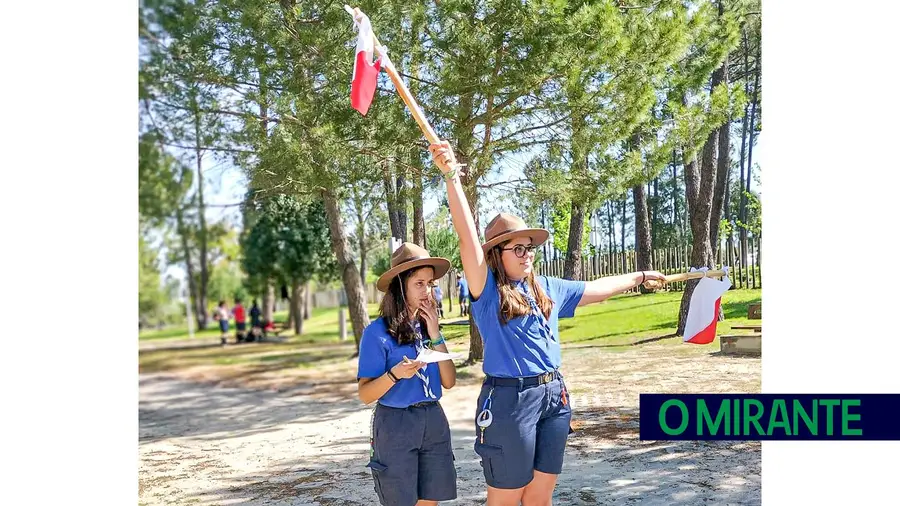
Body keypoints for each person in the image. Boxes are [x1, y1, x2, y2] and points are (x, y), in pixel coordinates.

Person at [429, 141, 667, 506]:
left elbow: (596, 289)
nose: (527, 255)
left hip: (554, 396)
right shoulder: (488, 291)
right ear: (497, 254)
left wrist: (638, 277)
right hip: (510, 401)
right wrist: (451, 177)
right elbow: (467, 238)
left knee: (540, 497)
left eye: (530, 248)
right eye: (518, 249)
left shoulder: (547, 287)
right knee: (506, 499)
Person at [357, 242, 459, 506]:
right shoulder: (376, 333)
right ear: (400, 287)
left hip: (433, 419)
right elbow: (365, 394)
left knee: (430, 500)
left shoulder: (429, 328)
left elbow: (449, 381)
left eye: (431, 283)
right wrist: (394, 375)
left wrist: (435, 334)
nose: (428, 291)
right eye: (419, 284)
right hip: (395, 424)